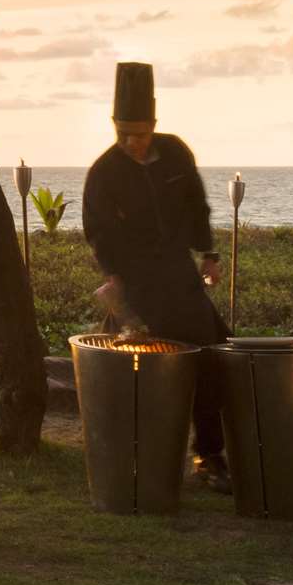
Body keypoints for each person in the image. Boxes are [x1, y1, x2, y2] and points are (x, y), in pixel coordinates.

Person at [82, 61, 231, 491]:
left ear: (154, 124)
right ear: (114, 125)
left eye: (140, 132)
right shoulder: (104, 171)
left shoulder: (176, 152)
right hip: (137, 283)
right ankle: (134, 455)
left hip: (181, 276)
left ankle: (209, 455)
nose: (131, 141)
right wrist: (112, 276)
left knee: (211, 357)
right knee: (138, 368)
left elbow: (196, 204)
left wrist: (209, 254)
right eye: (123, 132)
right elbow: (99, 231)